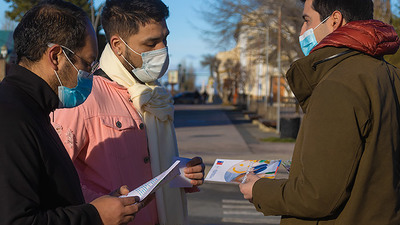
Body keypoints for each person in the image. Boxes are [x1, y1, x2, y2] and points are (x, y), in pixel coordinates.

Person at [239, 0, 400, 224]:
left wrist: (259, 190)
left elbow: (316, 196)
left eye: (307, 20)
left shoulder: (339, 84)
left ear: (334, 20)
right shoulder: (390, 75)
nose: (302, 31)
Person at [52, 0, 205, 224]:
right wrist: (99, 207)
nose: (162, 49)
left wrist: (181, 173)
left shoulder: (154, 96)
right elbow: (52, 177)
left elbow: (145, 166)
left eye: (165, 39)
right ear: (118, 45)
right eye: (151, 43)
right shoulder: (84, 97)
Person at [0, 1, 143, 225]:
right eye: (87, 64)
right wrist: (95, 216)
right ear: (56, 56)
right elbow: (16, 219)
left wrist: (99, 206)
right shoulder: (11, 117)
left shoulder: (33, 109)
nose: (90, 75)